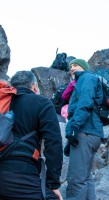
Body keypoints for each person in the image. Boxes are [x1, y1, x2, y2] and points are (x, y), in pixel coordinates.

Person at [0, 71, 63, 200]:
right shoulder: (42, 102)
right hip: (22, 173)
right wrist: (53, 185)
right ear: (34, 86)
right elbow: (53, 144)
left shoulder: (3, 101)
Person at [65, 59, 103, 200]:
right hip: (92, 133)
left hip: (85, 132)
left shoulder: (86, 78)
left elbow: (85, 102)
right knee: (86, 179)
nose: (72, 68)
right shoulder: (88, 79)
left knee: (76, 179)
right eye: (70, 66)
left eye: (75, 65)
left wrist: (74, 127)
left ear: (84, 67)